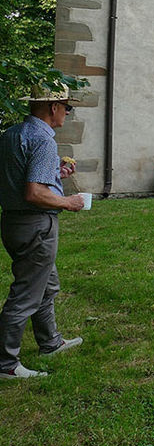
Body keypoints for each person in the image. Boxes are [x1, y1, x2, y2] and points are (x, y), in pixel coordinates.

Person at [0, 86, 85, 380]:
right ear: (53, 107)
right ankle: (6, 364)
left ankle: (50, 342)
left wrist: (56, 175)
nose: (68, 113)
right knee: (25, 294)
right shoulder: (43, 141)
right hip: (36, 224)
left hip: (13, 222)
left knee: (46, 286)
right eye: (67, 107)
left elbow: (22, 178)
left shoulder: (12, 134)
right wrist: (68, 202)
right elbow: (34, 193)